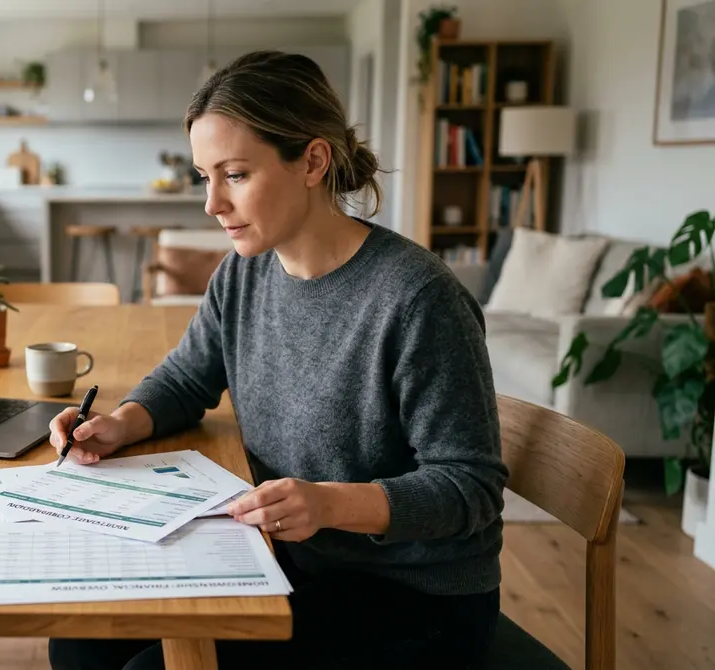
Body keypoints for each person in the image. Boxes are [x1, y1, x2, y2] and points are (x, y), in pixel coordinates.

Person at [45, 50, 507, 670]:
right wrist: (121, 423)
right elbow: (188, 376)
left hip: (413, 598)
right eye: (203, 177)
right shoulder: (245, 272)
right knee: (79, 641)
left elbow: (469, 487)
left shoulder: (419, 300)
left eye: (234, 175)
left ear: (313, 161)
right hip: (289, 556)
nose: (211, 203)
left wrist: (330, 504)